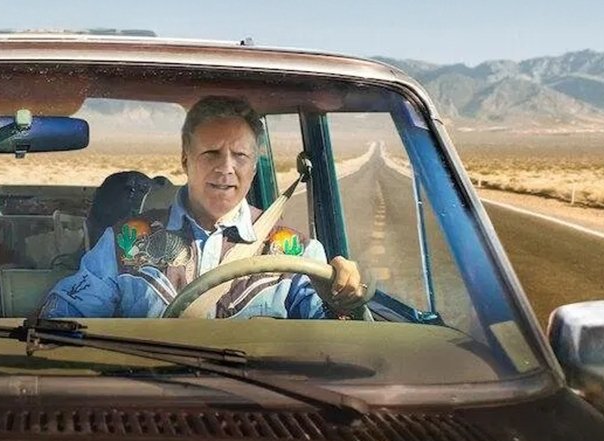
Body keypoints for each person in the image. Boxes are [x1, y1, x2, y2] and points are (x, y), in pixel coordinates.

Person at [41, 96, 366, 320]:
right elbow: (64, 321)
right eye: (211, 153)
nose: (226, 168)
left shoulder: (295, 252)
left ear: (254, 166)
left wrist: (341, 297)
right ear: (186, 159)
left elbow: (336, 343)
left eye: (240, 156)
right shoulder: (125, 242)